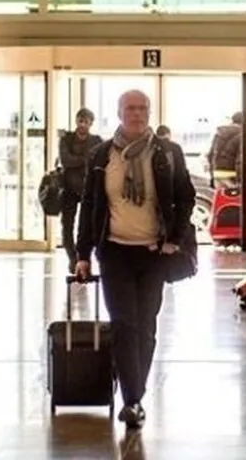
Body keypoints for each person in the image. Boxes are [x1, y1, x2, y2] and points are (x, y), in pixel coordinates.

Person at [74, 90, 195, 429]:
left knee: (146, 326)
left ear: (150, 112)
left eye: (142, 108)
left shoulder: (168, 153)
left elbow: (186, 198)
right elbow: (90, 206)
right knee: (125, 325)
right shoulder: (101, 155)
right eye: (130, 108)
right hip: (114, 252)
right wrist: (82, 254)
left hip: (153, 253)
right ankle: (133, 400)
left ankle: (134, 388)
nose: (137, 114)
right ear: (119, 112)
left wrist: (174, 238)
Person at [58, 108, 102, 273]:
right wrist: (86, 160)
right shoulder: (67, 139)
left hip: (88, 189)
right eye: (80, 120)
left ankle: (84, 258)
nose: (82, 124)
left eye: (86, 121)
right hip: (69, 188)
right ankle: (72, 258)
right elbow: (65, 160)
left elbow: (98, 160)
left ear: (91, 123)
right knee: (67, 225)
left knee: (86, 226)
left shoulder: (97, 141)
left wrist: (81, 161)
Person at [207, 112, 243, 187]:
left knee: (222, 197)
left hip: (218, 174)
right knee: (236, 198)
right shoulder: (241, 135)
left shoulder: (219, 134)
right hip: (232, 175)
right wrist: (241, 180)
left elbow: (210, 155)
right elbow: (240, 160)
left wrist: (212, 175)